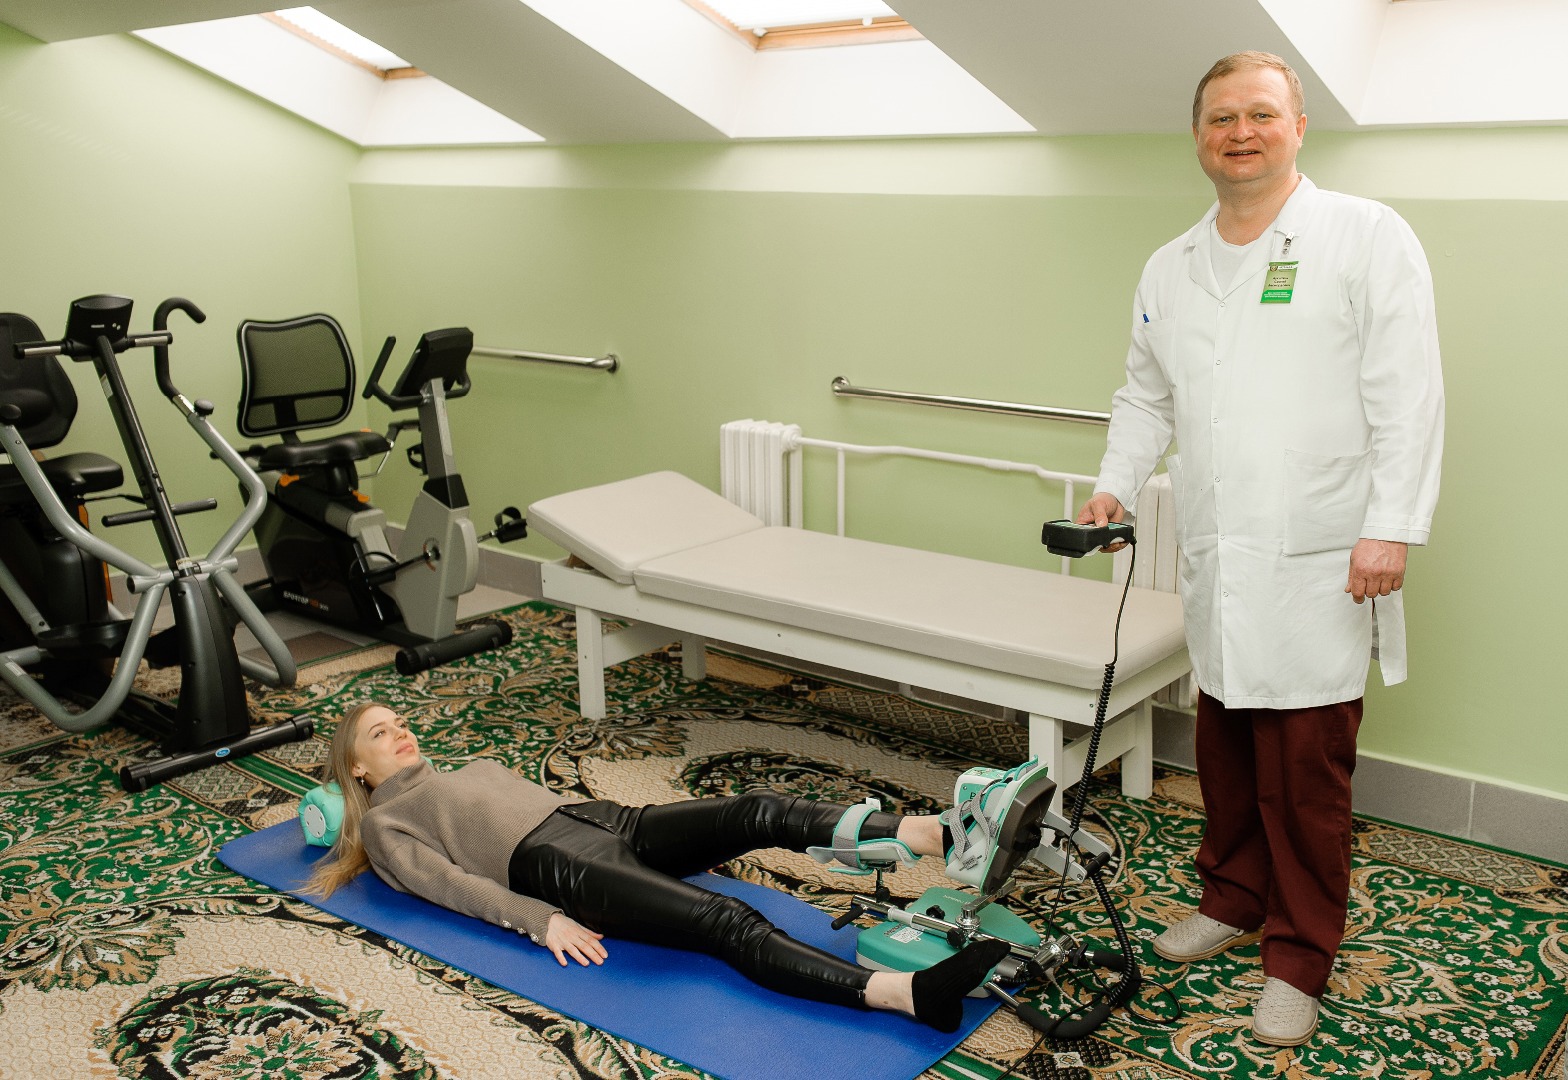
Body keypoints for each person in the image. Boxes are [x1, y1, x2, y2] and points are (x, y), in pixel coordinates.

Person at [1076, 52, 1443, 1046]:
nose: (1240, 133)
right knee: (1227, 746)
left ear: (1298, 124)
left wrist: (1389, 526)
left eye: (1260, 114)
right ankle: (1232, 899)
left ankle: (1299, 957)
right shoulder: (1171, 264)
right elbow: (1145, 396)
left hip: (1323, 553)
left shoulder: (1363, 235)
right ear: (1197, 136)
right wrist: (1113, 481)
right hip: (1221, 552)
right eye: (1220, 118)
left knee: (1305, 771)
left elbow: (1408, 394)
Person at [305, 702, 1056, 1033]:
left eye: (399, 723)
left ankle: (943, 835)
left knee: (754, 810)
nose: (399, 733)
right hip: (559, 868)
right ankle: (906, 996)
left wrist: (610, 822)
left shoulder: (466, 766)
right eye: (379, 734)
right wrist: (542, 920)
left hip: (608, 820)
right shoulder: (389, 824)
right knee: (724, 920)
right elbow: (452, 886)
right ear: (358, 770)